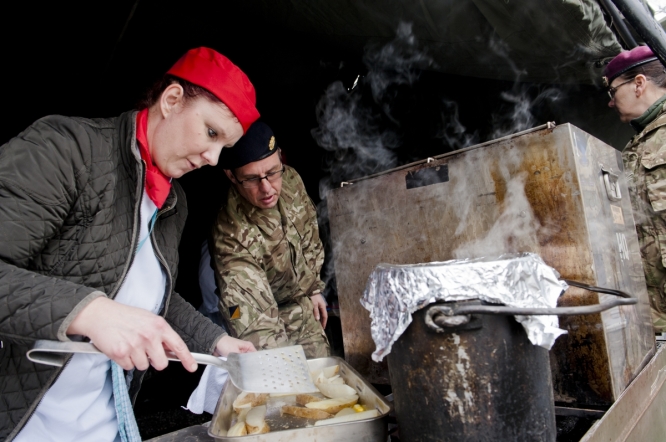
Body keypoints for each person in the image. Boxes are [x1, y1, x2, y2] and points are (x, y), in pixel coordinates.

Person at [0, 47, 259, 441]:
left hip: (107, 426)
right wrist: (88, 311)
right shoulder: (67, 150)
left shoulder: (174, 202)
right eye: (211, 132)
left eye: (224, 146)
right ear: (171, 100)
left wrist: (217, 341)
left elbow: (153, 295)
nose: (212, 157)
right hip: (24, 423)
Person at [210, 122, 331, 358]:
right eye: (252, 179)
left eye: (273, 172)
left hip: (301, 302)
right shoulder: (230, 234)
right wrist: (279, 367)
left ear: (280, 157)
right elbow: (254, 322)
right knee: (283, 379)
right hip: (261, 314)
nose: (267, 188)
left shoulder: (291, 180)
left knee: (324, 371)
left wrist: (313, 287)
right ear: (231, 176)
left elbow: (308, 234)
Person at [604, 45, 666, 333]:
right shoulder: (635, 149)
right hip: (655, 315)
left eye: (613, 91)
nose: (611, 102)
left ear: (639, 83)